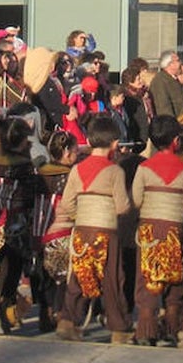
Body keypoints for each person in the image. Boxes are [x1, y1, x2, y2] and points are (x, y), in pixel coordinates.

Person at [55, 114, 134, 344]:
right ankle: (119, 327)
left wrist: (81, 216)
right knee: (113, 279)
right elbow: (122, 206)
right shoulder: (115, 172)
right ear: (115, 143)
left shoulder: (77, 170)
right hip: (107, 232)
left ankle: (67, 321)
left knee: (79, 276)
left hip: (82, 230)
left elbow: (67, 203)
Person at [131, 115, 183, 346]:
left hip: (148, 229)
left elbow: (136, 200)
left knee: (147, 277)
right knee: (174, 279)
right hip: (174, 230)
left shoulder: (143, 168)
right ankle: (171, 327)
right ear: (176, 141)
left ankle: (146, 329)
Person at [0, 116, 38, 334]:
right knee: (14, 265)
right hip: (16, 221)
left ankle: (7, 303)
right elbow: (29, 195)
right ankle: (7, 304)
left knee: (3, 263)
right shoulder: (24, 166)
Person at [33, 129, 79, 334]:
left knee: (45, 275)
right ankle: (62, 314)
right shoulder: (70, 176)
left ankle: (46, 311)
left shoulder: (39, 173)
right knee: (63, 276)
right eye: (76, 150)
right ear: (67, 152)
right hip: (61, 232)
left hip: (38, 232)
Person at [150, 50, 183, 119]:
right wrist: (172, 127)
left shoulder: (174, 80)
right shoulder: (160, 81)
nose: (180, 63)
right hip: (175, 126)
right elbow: (163, 109)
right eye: (178, 61)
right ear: (170, 64)